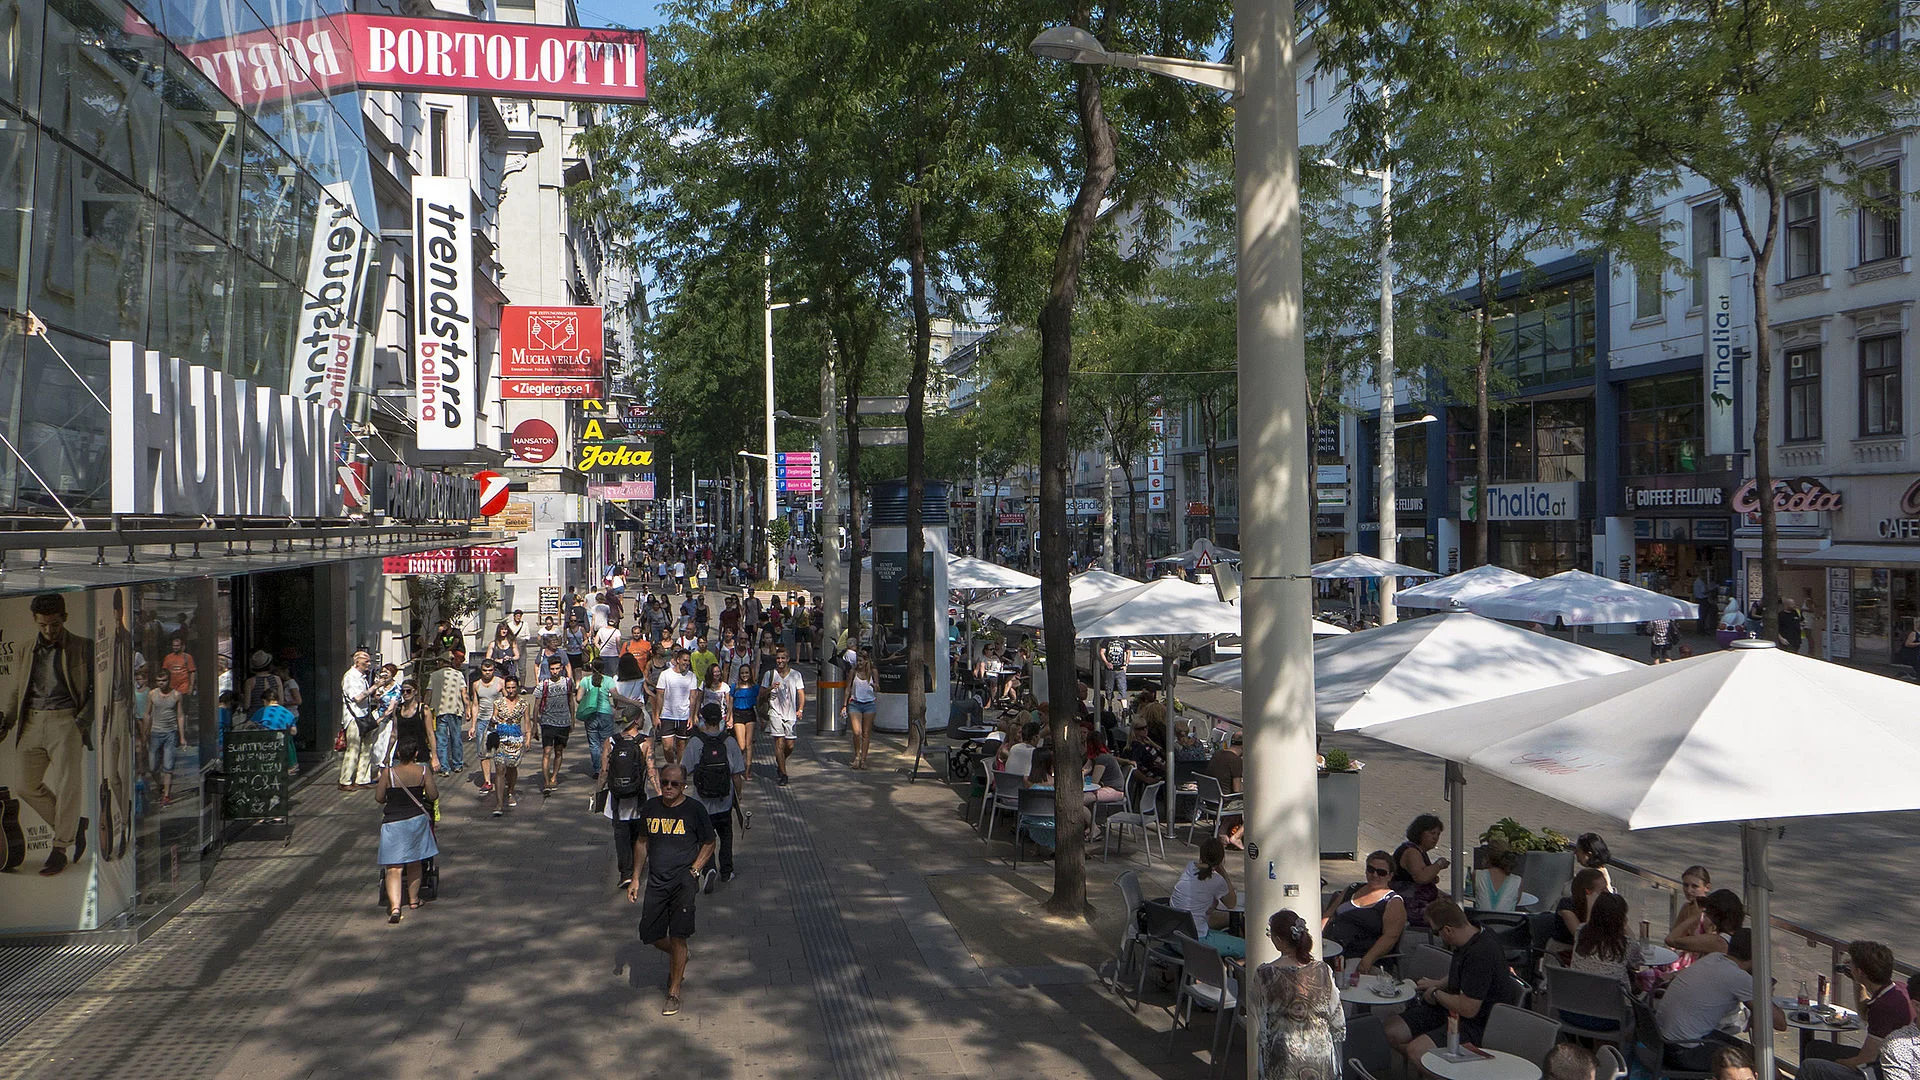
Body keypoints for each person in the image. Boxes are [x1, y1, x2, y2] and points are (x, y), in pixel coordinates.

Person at [628, 763, 718, 1016]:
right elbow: (642, 842)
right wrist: (635, 877)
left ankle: (674, 991)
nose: (668, 787)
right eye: (665, 782)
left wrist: (695, 870)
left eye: (674, 784)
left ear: (684, 787)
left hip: (683, 883)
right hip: (657, 881)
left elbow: (710, 842)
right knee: (650, 934)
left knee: (679, 935)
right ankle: (681, 956)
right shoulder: (651, 808)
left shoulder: (694, 810)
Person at [1384, 899, 1521, 1056]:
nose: (1439, 936)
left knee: (1417, 1051)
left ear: (1448, 930)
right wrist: (1439, 983)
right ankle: (1430, 1062)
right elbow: (1465, 972)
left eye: (1437, 932)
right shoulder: (1473, 934)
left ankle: (1439, 1065)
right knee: (1392, 1030)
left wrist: (1436, 993)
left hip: (1477, 1022)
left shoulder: (1481, 953)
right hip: (1451, 1010)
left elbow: (1468, 1008)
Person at [1655, 928, 1786, 1071]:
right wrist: (1765, 993)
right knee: (1763, 1063)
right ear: (1758, 955)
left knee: (1746, 1051)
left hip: (1660, 1041)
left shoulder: (1714, 958)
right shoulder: (1739, 978)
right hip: (1683, 1051)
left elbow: (1751, 1024)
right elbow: (1780, 1023)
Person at [1799, 941, 1915, 1080]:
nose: (1849, 966)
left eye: (1852, 964)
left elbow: (1865, 1060)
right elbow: (1864, 1013)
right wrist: (1858, 982)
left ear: (1860, 971)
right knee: (1814, 1048)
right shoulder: (1897, 988)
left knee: (1810, 1067)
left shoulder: (1883, 1008)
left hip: (1878, 1072)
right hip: (1881, 1059)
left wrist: (1836, 1063)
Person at [1253, 909, 1344, 1080]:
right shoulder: (1323, 970)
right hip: (1320, 1050)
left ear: (1278, 940)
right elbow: (1337, 1016)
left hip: (1285, 1053)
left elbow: (1260, 1019)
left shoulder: (1265, 974)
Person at [374, 736, 439, 923]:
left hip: (393, 822)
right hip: (416, 821)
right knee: (414, 862)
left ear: (398, 754)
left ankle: (395, 907)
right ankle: (413, 900)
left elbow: (379, 798)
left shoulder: (388, 773)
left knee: (393, 868)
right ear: (416, 754)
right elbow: (433, 795)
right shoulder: (423, 771)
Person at [682, 702, 745, 890]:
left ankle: (708, 867)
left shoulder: (696, 742)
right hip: (724, 801)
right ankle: (726, 870)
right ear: (721, 720)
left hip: (702, 802)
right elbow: (737, 774)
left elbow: (686, 769)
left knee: (705, 837)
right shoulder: (729, 741)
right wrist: (738, 796)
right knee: (726, 835)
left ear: (703, 719)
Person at [1321, 850, 1408, 975]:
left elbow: (1390, 937)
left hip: (1359, 956)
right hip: (1332, 949)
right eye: (1371, 869)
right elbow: (1329, 914)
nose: (1375, 875)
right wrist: (1315, 939)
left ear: (1390, 876)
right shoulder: (1353, 889)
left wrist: (1368, 960)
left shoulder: (1392, 902)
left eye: (1381, 872)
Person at [1566, 893, 1645, 1027]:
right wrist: (1626, 928)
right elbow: (1636, 965)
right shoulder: (1627, 945)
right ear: (1621, 918)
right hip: (1610, 1017)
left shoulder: (1581, 933)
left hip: (1573, 1010)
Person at [600, 711, 652, 890]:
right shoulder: (645, 742)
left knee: (621, 837)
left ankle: (626, 874)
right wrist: (661, 794)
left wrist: (598, 793)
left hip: (616, 800)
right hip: (638, 799)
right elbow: (651, 771)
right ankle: (638, 870)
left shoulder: (611, 741)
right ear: (637, 721)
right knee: (639, 836)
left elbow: (604, 771)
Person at [1169, 836, 1243, 958]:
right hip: (1196, 941)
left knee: (1223, 933)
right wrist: (1223, 872)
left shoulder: (1190, 867)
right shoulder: (1217, 880)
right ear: (1221, 859)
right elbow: (1232, 903)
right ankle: (1228, 968)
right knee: (1247, 948)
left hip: (1175, 938)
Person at [1391, 813, 1449, 928]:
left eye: (1438, 834)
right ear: (1420, 832)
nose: (1435, 838)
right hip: (1412, 906)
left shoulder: (1421, 852)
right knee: (1450, 916)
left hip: (1420, 902)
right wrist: (1439, 864)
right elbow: (1421, 877)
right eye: (1432, 833)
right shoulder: (1411, 852)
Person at [1666, 888, 1745, 965]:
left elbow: (1671, 940)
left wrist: (1695, 916)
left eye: (1708, 913)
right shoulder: (1737, 937)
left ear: (1715, 915)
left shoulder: (1717, 941)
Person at [761, 649, 805, 786]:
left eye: (783, 658)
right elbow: (761, 694)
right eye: (778, 658)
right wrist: (770, 688)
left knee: (790, 745)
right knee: (779, 743)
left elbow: (801, 693)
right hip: (775, 713)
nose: (780, 661)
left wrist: (800, 709)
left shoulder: (796, 675)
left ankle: (780, 761)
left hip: (790, 714)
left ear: (788, 659)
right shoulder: (769, 675)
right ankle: (783, 774)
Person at [487, 676, 527, 816]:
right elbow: (493, 719)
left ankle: (510, 791)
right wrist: (493, 721)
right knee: (499, 769)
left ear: (517, 687)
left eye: (513, 687)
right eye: (508, 688)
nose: (510, 690)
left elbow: (527, 723)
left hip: (516, 738)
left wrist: (528, 739)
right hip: (500, 738)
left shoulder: (524, 703)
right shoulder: (498, 702)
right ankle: (499, 803)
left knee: (511, 768)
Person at [145, 668, 185, 808]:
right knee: (152, 766)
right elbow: (148, 714)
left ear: (169, 681)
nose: (161, 683)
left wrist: (182, 737)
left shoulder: (176, 695)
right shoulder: (152, 694)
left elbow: (180, 715)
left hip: (170, 733)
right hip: (155, 732)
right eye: (159, 681)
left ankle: (166, 795)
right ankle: (160, 786)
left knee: (168, 766)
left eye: (164, 680)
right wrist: (145, 732)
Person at [1664, 865, 1715, 972]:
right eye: (1685, 885)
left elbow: (1710, 946)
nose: (1688, 890)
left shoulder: (1710, 913)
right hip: (1684, 959)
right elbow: (1674, 935)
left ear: (1707, 887)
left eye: (1694, 886)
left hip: (1702, 964)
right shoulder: (1686, 907)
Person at [652, 649, 700, 760]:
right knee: (667, 747)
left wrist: (691, 717)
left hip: (683, 716)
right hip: (667, 715)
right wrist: (656, 716)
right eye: (684, 660)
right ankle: (670, 766)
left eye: (688, 661)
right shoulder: (665, 675)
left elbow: (693, 697)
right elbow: (659, 696)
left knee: (681, 746)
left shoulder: (691, 676)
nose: (687, 663)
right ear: (678, 660)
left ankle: (678, 771)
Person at [467, 658, 506, 794]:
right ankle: (487, 781)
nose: (487, 673)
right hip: (482, 721)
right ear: (481, 670)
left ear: (494, 670)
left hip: (498, 721)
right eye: (485, 670)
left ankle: (501, 777)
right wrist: (472, 725)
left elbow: (506, 700)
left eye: (490, 670)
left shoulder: (500, 682)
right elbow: (475, 705)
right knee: (484, 753)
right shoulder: (476, 684)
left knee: (500, 752)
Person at [1553, 868, 1609, 960]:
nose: (1607, 892)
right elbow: (1582, 938)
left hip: (1593, 954)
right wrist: (1590, 908)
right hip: (1563, 954)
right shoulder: (1566, 906)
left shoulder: (1603, 905)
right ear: (1588, 892)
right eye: (1603, 890)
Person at [574, 662, 618, 780]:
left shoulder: (585, 680)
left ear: (591, 668)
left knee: (594, 744)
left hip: (591, 714)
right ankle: (606, 768)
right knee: (606, 743)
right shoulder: (608, 680)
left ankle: (597, 770)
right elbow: (615, 695)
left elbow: (578, 698)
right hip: (605, 714)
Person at [340, 649, 376, 790]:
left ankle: (362, 779)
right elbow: (357, 697)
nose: (369, 664)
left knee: (367, 747)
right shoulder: (350, 677)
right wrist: (374, 687)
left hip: (364, 715)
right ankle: (346, 780)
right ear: (357, 662)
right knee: (353, 749)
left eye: (369, 661)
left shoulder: (362, 677)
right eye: (366, 661)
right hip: (354, 717)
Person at [427, 659, 467, 779]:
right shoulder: (458, 675)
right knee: (456, 738)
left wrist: (424, 706)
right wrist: (468, 707)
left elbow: (429, 693)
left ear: (440, 664)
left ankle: (444, 768)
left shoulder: (434, 675)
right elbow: (464, 693)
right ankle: (457, 764)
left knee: (441, 740)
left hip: (439, 711)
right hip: (455, 710)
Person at [843, 656, 878, 770]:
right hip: (855, 703)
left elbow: (878, 687)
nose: (858, 663)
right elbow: (848, 688)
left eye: (861, 661)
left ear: (867, 661)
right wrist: (844, 705)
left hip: (869, 704)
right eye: (857, 661)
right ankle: (857, 756)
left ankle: (863, 759)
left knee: (866, 733)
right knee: (857, 732)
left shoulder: (873, 672)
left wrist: (875, 686)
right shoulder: (853, 672)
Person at [730, 665, 760, 783]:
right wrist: (730, 717)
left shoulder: (754, 687)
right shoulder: (735, 687)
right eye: (742, 673)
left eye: (746, 673)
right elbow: (730, 703)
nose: (744, 675)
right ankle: (737, 765)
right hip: (738, 714)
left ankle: (748, 770)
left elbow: (758, 703)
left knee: (749, 744)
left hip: (750, 714)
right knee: (741, 745)